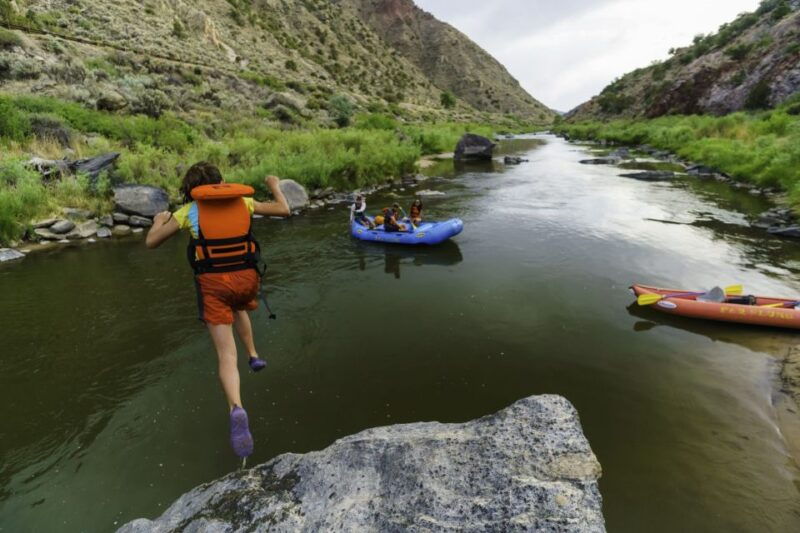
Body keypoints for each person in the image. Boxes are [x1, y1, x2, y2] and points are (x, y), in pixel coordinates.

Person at [145, 162, 291, 458]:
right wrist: (274, 184)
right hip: (246, 279)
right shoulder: (245, 202)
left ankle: (236, 408)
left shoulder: (189, 212)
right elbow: (283, 210)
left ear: (192, 190)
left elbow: (152, 242)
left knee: (226, 355)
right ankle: (253, 355)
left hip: (213, 285)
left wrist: (158, 220)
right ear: (221, 182)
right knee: (240, 308)